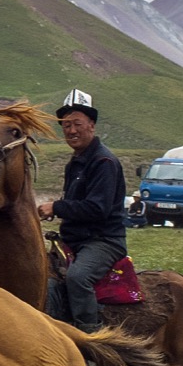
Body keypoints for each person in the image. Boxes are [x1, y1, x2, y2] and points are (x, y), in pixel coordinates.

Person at [37, 89, 127, 334]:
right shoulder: (76, 162)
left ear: (92, 126)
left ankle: (93, 340)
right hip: (76, 240)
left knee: (78, 278)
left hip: (103, 240)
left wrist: (56, 207)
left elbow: (97, 208)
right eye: (66, 125)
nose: (71, 130)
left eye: (77, 124)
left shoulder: (103, 162)